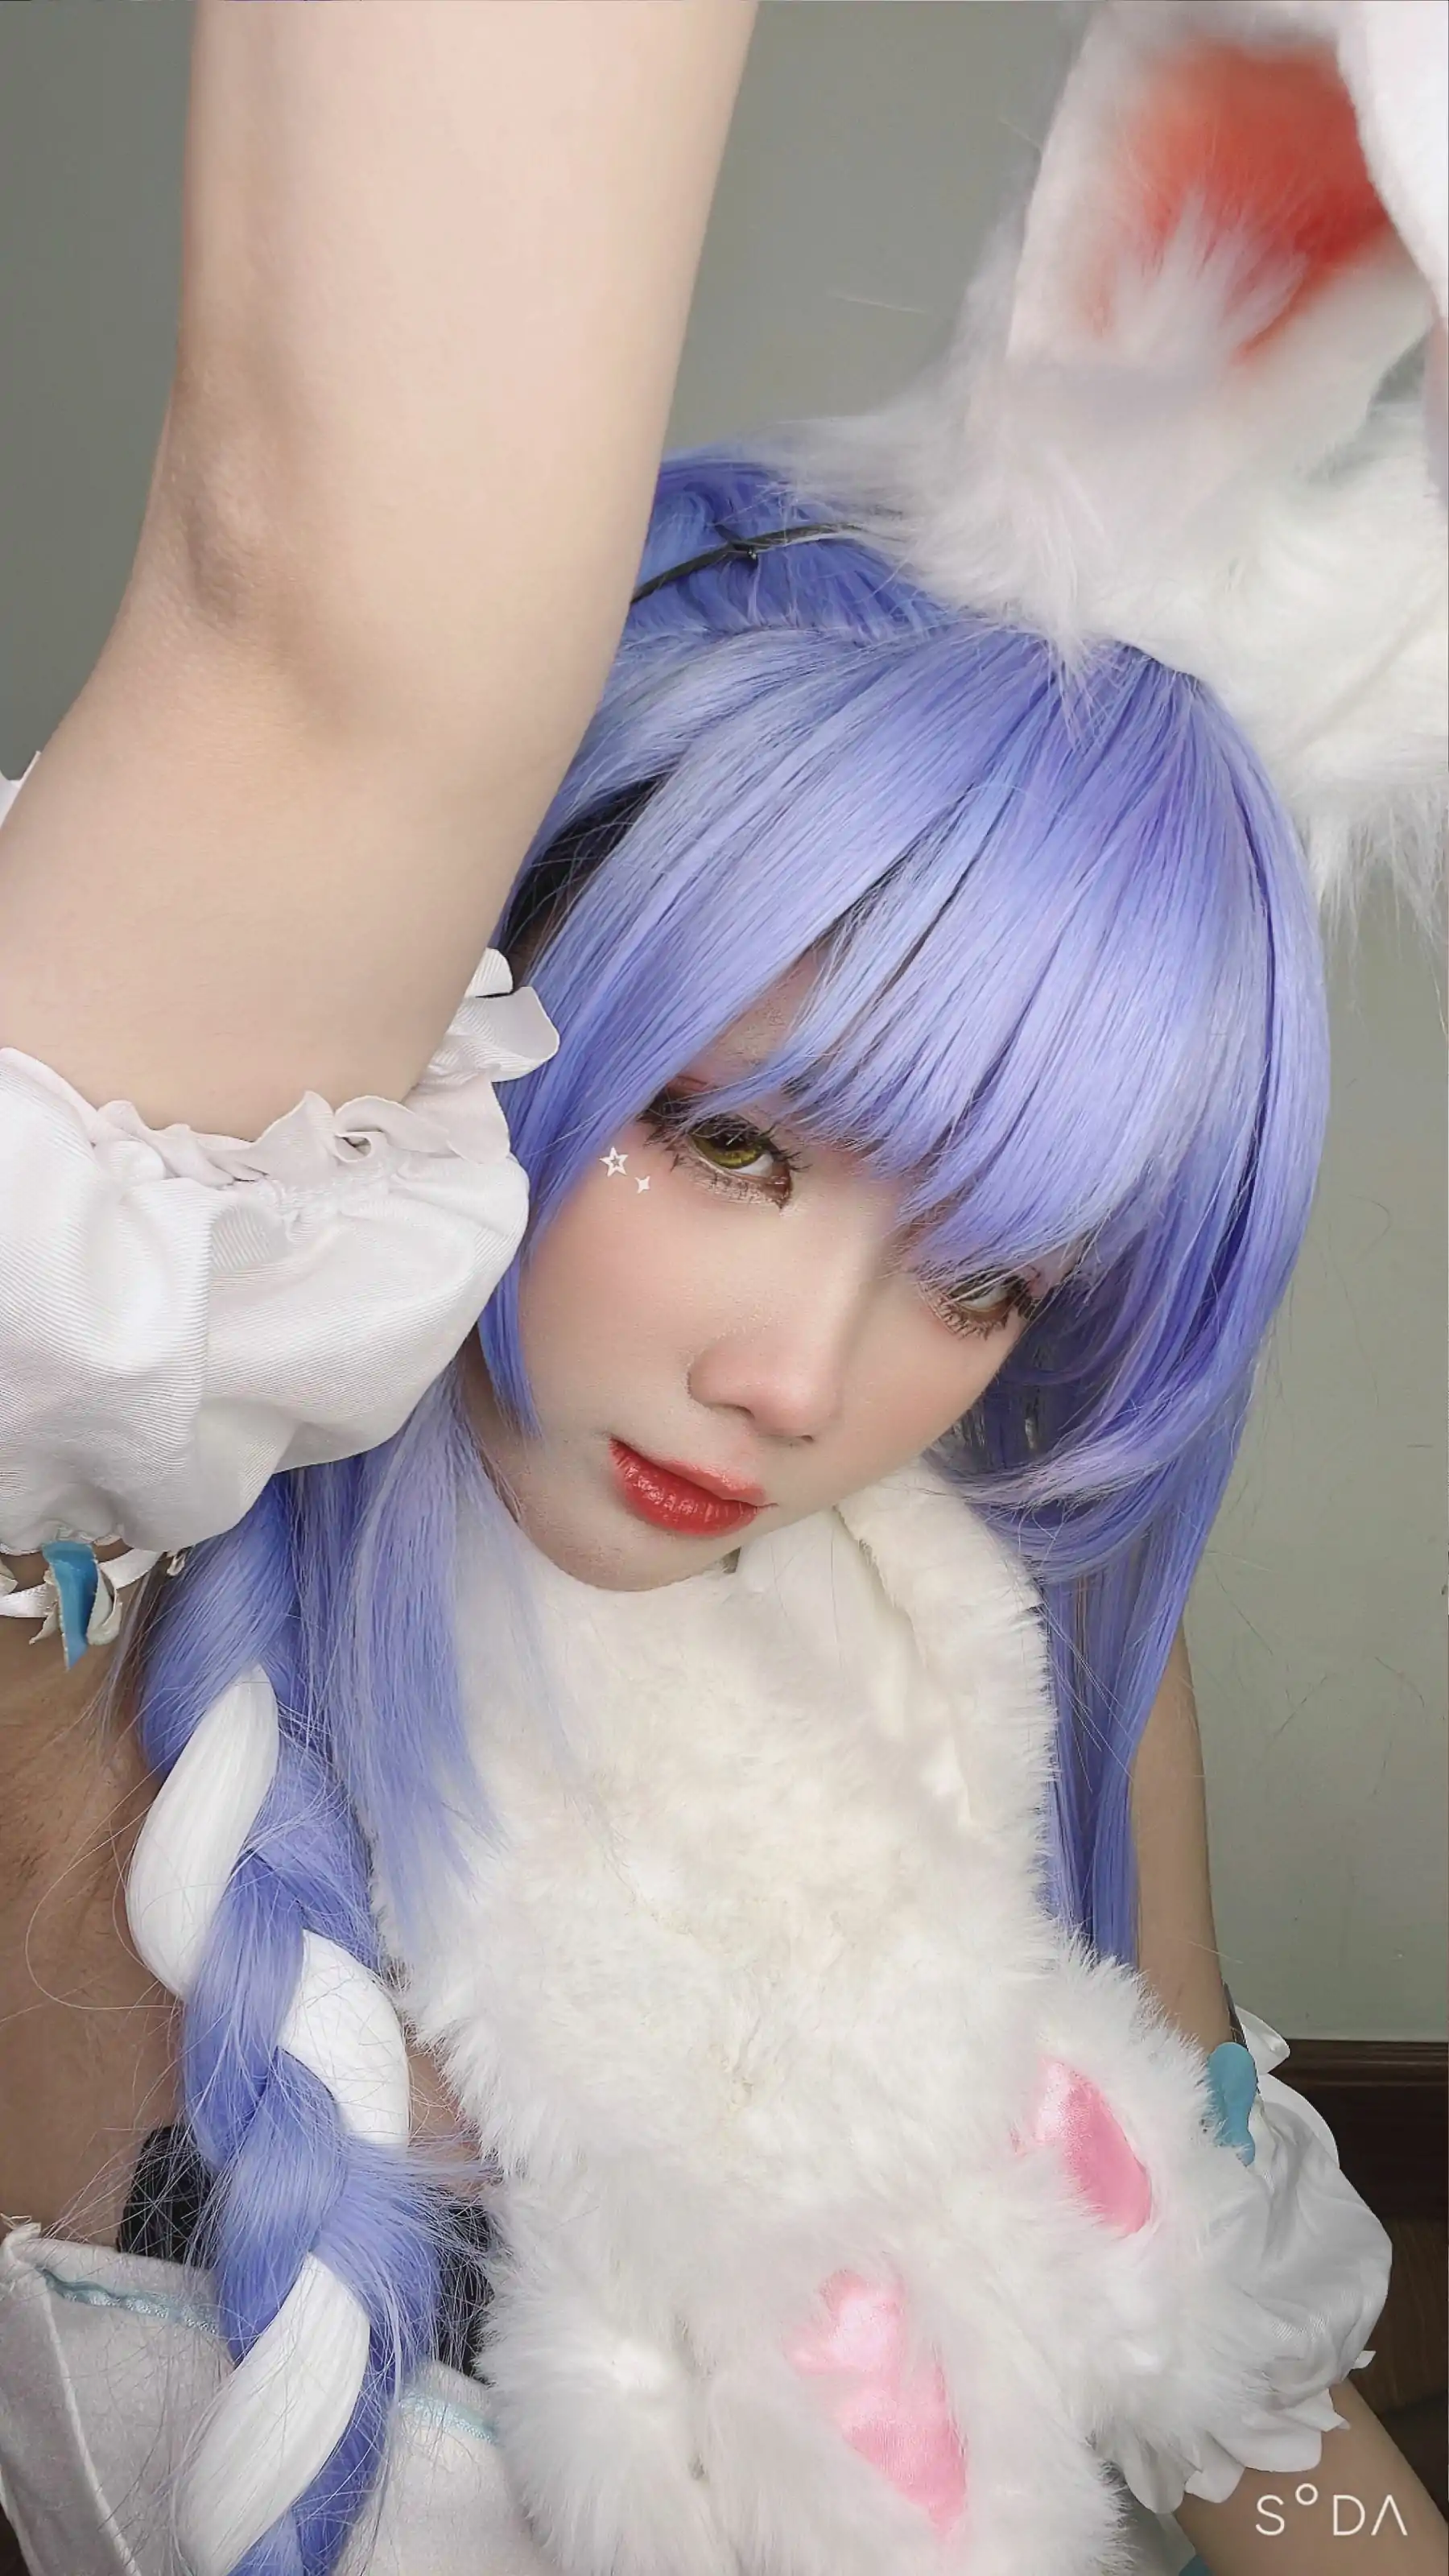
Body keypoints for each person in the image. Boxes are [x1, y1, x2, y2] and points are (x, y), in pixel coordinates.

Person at [0, 6, 1443, 2576]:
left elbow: (1248, 2407)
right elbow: (313, 635)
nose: (796, 1385)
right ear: (493, 983)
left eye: (983, 1273)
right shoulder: (67, 1622)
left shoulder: (997, 1638)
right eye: (727, 1139)